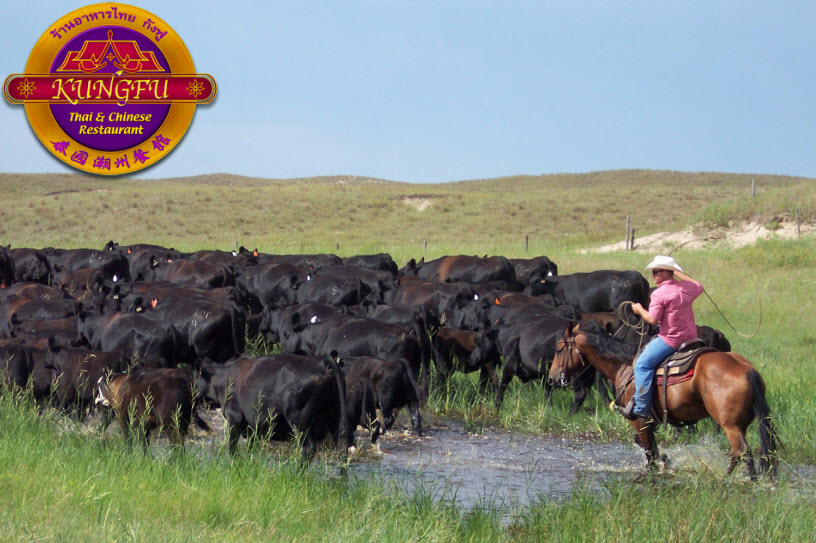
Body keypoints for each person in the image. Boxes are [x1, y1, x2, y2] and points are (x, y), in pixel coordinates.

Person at [621, 255, 704, 421]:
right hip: (691, 337)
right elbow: (698, 285)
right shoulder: (686, 288)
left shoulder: (659, 294)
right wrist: (677, 271)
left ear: (666, 273)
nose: (652, 275)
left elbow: (652, 319)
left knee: (642, 365)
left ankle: (641, 408)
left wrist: (638, 310)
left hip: (671, 340)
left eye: (656, 272)